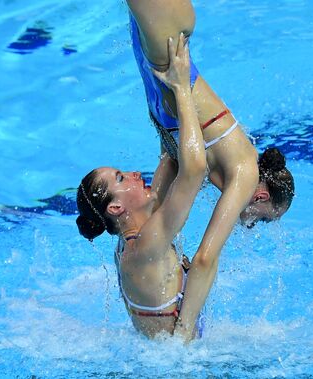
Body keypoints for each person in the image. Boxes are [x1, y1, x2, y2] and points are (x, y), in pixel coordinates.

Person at [125, 0, 295, 340]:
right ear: (261, 195)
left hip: (155, 54)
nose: (250, 224)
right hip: (167, 43)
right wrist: (184, 333)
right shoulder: (245, 171)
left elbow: (157, 203)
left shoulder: (207, 162)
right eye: (262, 217)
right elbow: (205, 259)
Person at [76, 34, 206, 338]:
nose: (135, 173)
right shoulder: (146, 247)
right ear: (116, 207)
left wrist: (156, 79)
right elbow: (195, 169)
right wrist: (181, 88)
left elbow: (170, 158)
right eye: (122, 178)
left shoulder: (133, 239)